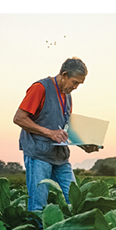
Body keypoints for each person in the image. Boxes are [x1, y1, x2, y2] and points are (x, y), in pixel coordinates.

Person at [13, 57, 99, 212]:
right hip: (38, 155)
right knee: (38, 205)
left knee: (74, 200)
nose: (76, 87)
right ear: (64, 74)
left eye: (79, 84)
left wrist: (82, 143)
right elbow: (19, 118)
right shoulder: (40, 88)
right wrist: (49, 133)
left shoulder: (68, 96)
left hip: (60, 157)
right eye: (74, 82)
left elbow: (64, 129)